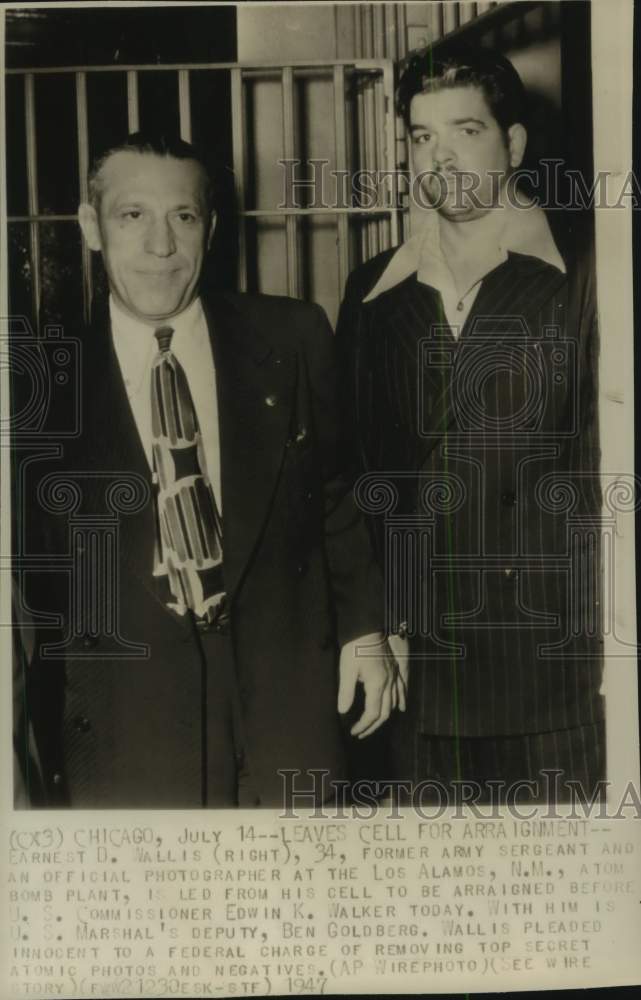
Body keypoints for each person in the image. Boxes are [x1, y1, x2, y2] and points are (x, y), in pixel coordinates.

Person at [14, 130, 403, 809]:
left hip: (287, 699)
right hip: (124, 722)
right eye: (132, 216)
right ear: (91, 227)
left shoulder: (293, 336)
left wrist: (365, 629)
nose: (161, 247)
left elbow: (338, 492)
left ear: (211, 228)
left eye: (183, 217)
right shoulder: (39, 383)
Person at [336, 47, 604, 803]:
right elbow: (356, 478)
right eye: (422, 137)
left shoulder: (588, 273)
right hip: (416, 675)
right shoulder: (372, 291)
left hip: (556, 672)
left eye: (464, 131)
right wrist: (374, 626)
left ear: (512, 144)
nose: (440, 157)